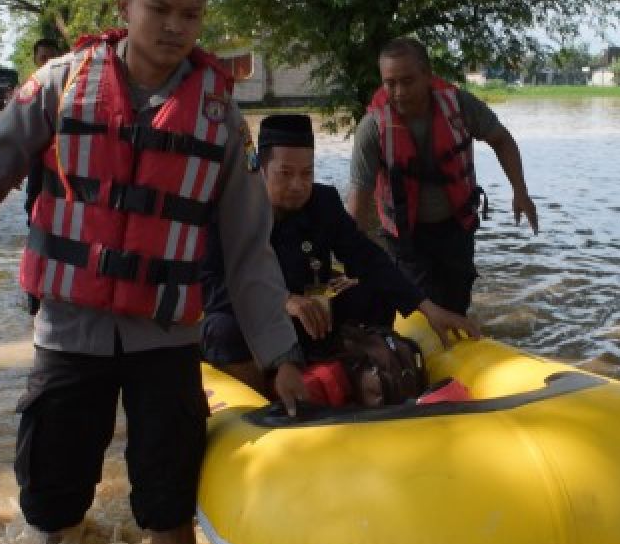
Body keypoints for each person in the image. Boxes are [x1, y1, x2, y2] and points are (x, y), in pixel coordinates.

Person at [0, 0, 308, 544]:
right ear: (125, 5)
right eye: (159, 8)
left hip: (167, 342)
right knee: (52, 522)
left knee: (170, 518)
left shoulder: (217, 116)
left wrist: (281, 356)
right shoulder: (60, 84)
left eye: (192, 14)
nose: (175, 27)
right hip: (70, 335)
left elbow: (249, 250)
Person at [202, 114, 481, 394]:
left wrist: (427, 308)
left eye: (307, 173)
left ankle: (361, 368)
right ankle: (264, 400)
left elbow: (367, 256)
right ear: (260, 171)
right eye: (285, 174)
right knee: (222, 328)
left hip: (312, 320)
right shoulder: (228, 212)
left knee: (374, 295)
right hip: (256, 322)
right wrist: (281, 301)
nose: (298, 185)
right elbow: (209, 286)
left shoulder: (324, 203)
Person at [346, 37, 539, 315]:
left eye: (408, 81)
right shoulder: (372, 128)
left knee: (457, 303)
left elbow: (502, 139)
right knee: (424, 307)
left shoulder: (460, 106)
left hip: (456, 230)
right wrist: (352, 256)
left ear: (427, 75)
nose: (399, 92)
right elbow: (358, 198)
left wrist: (520, 191)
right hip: (405, 237)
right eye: (390, 83)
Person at [23, 38, 65, 227]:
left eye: (53, 57)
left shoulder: (73, 86)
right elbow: (18, 133)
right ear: (36, 60)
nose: (48, 62)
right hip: (37, 159)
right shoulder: (28, 90)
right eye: (43, 58)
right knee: (34, 201)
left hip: (64, 159)